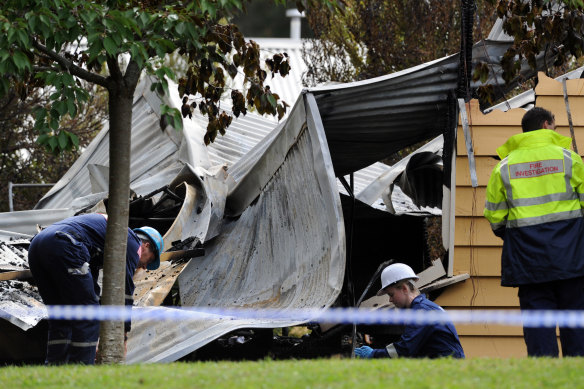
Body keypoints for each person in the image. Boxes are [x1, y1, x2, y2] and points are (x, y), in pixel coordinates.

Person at [484, 106, 584, 357]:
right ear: (545, 125)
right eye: (555, 126)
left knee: (539, 334)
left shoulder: (503, 168)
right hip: (572, 262)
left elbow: (496, 219)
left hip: (529, 265)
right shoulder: (569, 159)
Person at [27, 213, 164, 365]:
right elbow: (123, 291)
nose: (144, 267)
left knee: (61, 317)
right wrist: (122, 335)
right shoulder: (131, 243)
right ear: (146, 246)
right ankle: (82, 371)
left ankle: (54, 370)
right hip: (66, 244)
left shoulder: (104, 236)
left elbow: (90, 285)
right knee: (89, 315)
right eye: (150, 260)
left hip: (37, 247)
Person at [354, 263, 465, 359]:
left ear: (404, 289)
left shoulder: (421, 312)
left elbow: (404, 349)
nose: (390, 299)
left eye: (391, 294)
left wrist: (373, 354)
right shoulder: (424, 308)